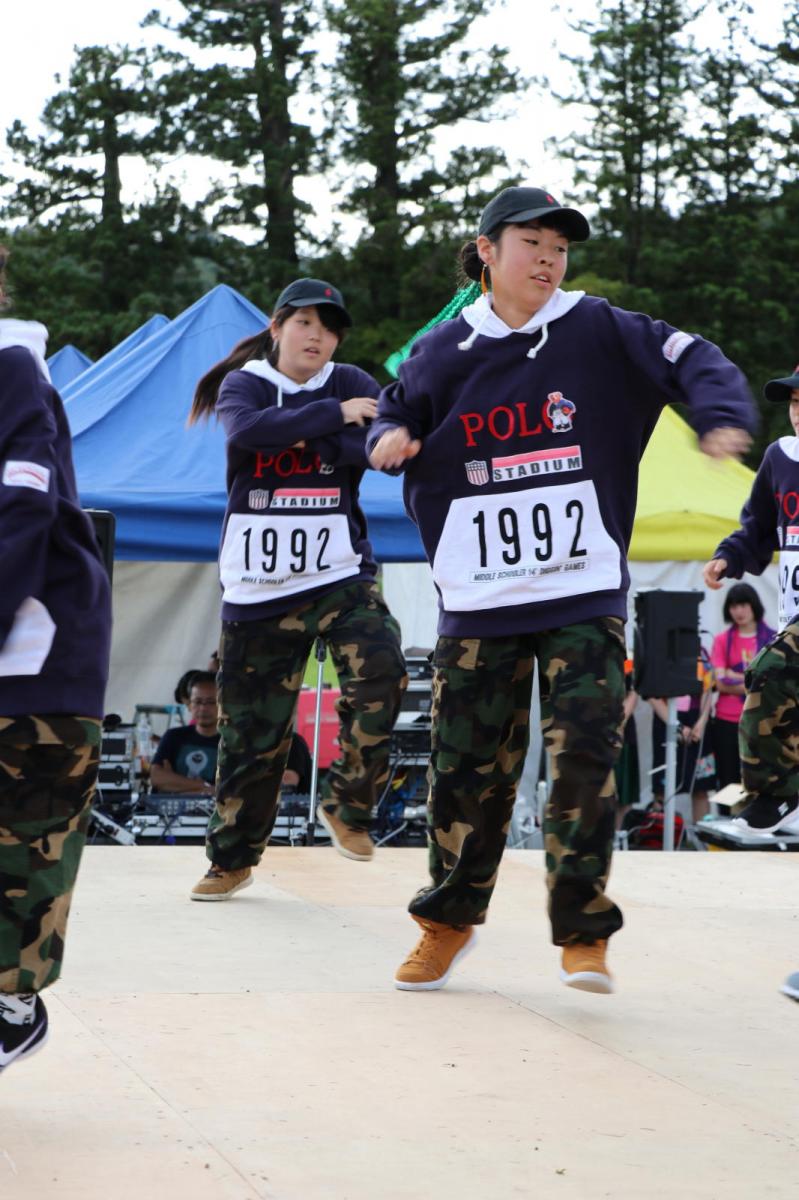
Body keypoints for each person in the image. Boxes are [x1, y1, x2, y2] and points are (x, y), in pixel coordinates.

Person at [367, 185, 756, 993]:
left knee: (584, 752)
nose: (548, 259)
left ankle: (582, 930)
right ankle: (445, 922)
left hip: (580, 591)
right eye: (531, 244)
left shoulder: (599, 328)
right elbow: (391, 404)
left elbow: (694, 356)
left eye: (560, 247)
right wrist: (390, 437)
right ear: (485, 250)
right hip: (478, 598)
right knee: (465, 770)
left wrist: (717, 411)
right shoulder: (441, 349)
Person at [187, 277, 406, 900]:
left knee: (384, 670)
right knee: (252, 740)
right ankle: (231, 859)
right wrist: (330, 419)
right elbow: (247, 433)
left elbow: (374, 450)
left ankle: (348, 801)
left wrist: (306, 430)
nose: (318, 336)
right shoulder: (247, 383)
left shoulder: (356, 379)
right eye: (306, 322)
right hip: (256, 587)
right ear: (278, 327)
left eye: (329, 326)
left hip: (339, 574)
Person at [0, 246, 112, 1071]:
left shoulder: (11, 369)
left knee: (22, 851)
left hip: (33, 668)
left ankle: (13, 1007)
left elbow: (22, 507)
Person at [704, 364, 799, 843]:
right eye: (796, 404)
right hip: (792, 614)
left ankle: (777, 796)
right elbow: (758, 528)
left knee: (767, 670)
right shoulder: (780, 458)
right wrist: (728, 558)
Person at [708, 583, 773, 791]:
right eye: (734, 606)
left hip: (762, 722)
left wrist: (731, 675)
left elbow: (773, 683)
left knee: (761, 781)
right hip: (727, 721)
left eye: (743, 605)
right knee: (728, 781)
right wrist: (754, 681)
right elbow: (720, 683)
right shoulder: (721, 641)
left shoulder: (772, 639)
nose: (739, 611)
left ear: (754, 605)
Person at [152, 672, 220, 795]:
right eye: (197, 702)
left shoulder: (230, 742)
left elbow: (226, 791)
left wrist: (175, 782)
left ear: (222, 704)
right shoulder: (173, 736)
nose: (203, 708)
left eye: (210, 702)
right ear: (189, 705)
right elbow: (157, 777)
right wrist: (204, 787)